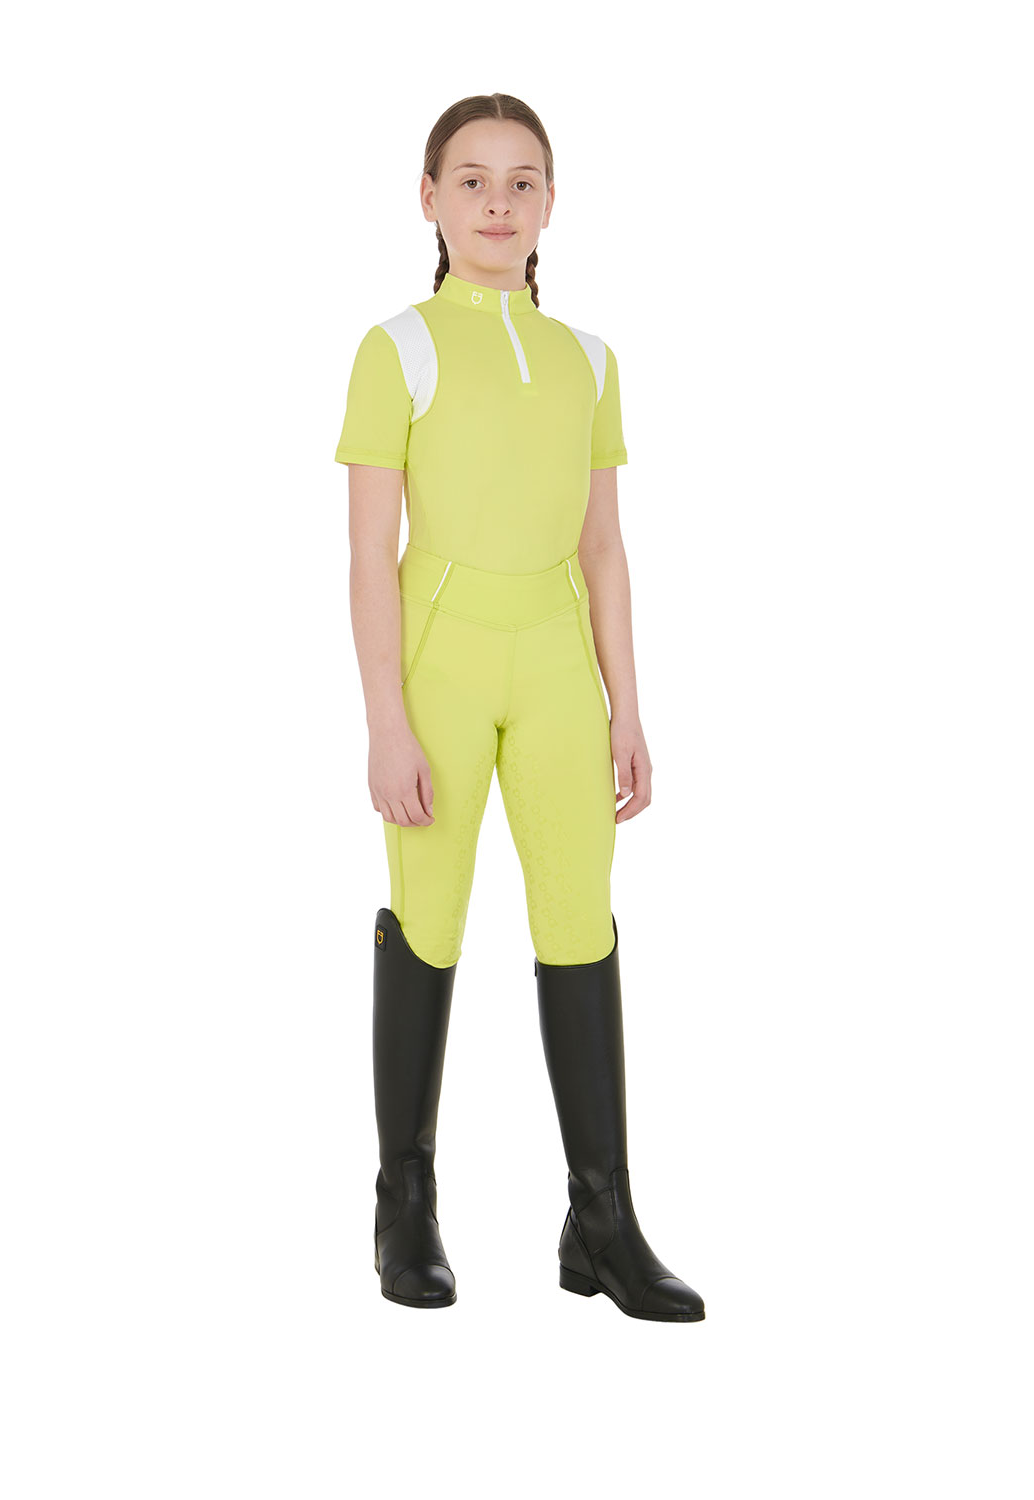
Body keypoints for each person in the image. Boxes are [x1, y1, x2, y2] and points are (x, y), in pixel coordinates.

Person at [335, 93, 705, 1323]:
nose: (498, 203)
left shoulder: (590, 362)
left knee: (580, 922)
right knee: (429, 920)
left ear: (551, 203)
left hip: (555, 666)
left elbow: (604, 549)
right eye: (472, 180)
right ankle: (404, 1204)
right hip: (441, 660)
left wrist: (627, 709)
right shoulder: (397, 349)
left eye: (522, 182)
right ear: (428, 199)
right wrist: (386, 721)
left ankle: (602, 1220)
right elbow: (368, 553)